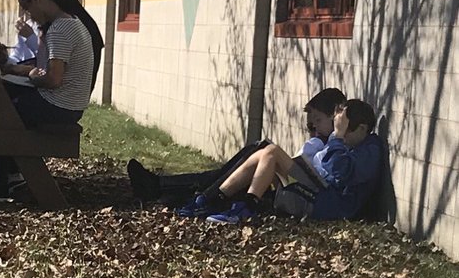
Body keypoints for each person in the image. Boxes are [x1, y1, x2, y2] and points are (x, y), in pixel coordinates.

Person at [0, 0, 95, 199]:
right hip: (66, 104)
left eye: (27, 8)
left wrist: (28, 75)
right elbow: (46, 68)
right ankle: (11, 174)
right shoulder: (68, 24)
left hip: (59, 106)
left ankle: (1, 183)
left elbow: (52, 79)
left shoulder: (61, 29)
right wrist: (18, 71)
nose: (28, 16)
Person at [129, 87, 347, 206]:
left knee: (255, 154)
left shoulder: (335, 147)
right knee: (233, 167)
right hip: (282, 183)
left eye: (318, 121)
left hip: (291, 192)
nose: (313, 127)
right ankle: (164, 188)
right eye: (311, 123)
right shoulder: (322, 142)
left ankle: (162, 187)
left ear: (335, 117)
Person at [198, 99, 381, 226]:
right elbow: (325, 165)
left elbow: (340, 173)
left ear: (362, 128)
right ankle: (216, 198)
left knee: (273, 152)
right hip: (321, 189)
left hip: (330, 204)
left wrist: (337, 138)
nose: (339, 135)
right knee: (267, 151)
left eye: (344, 130)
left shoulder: (370, 149)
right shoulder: (349, 143)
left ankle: (246, 208)